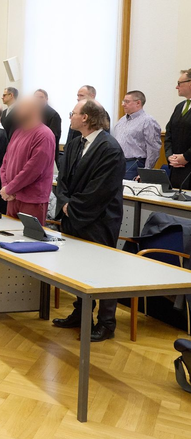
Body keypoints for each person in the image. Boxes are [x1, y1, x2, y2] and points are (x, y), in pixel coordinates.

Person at [53, 99, 126, 342]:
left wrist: (71, 206)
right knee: (78, 269)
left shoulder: (109, 148)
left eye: (73, 113)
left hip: (99, 220)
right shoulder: (74, 143)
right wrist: (65, 202)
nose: (70, 117)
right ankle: (81, 313)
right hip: (73, 214)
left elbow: (101, 190)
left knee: (102, 271)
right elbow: (62, 180)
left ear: (85, 118)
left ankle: (107, 323)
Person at [0, 97, 56, 223]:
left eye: (22, 108)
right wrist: (5, 188)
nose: (17, 111)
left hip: (32, 200)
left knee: (29, 241)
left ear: (34, 111)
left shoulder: (44, 135)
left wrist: (9, 189)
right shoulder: (17, 132)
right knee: (7, 235)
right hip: (12, 197)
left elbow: (33, 170)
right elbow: (5, 163)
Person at [111, 90, 162, 180]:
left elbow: (153, 148)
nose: (123, 104)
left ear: (138, 103)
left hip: (134, 164)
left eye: (127, 102)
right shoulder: (122, 120)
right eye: (123, 101)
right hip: (117, 162)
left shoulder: (148, 121)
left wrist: (146, 171)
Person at [166, 70, 191, 190]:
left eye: (179, 83)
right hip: (176, 168)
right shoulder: (179, 107)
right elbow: (169, 133)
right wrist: (170, 156)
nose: (177, 87)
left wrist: (186, 157)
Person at [34, 89, 62, 163]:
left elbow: (54, 136)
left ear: (46, 99)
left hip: (47, 152)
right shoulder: (32, 113)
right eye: (36, 97)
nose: (38, 100)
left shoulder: (53, 115)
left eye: (41, 97)